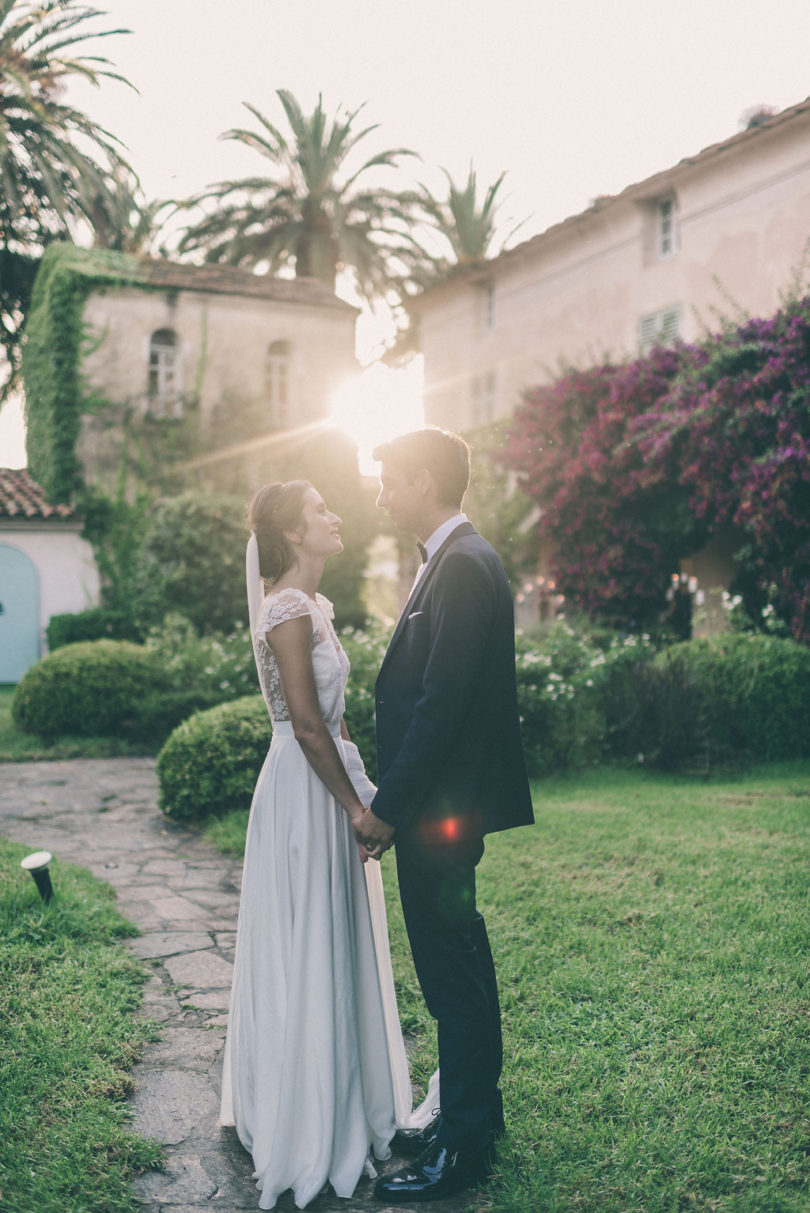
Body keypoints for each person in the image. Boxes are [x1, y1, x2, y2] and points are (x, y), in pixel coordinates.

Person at [220, 480, 421, 1210]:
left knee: (330, 938)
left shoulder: (315, 607)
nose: (336, 517)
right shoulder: (285, 608)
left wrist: (366, 799)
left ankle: (340, 1095)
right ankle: (303, 1117)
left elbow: (334, 726)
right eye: (321, 511)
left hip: (328, 786)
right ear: (294, 532)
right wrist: (353, 810)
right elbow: (304, 724)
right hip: (302, 794)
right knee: (307, 938)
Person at [357, 428, 535, 1203]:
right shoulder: (458, 558)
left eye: (391, 479)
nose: (382, 492)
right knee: (461, 964)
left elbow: (440, 705)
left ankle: (461, 1148)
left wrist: (386, 807)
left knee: (451, 974)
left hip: (439, 814)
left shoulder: (461, 564)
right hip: (444, 810)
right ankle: (475, 1114)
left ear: (425, 480)